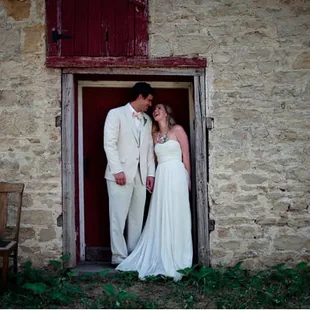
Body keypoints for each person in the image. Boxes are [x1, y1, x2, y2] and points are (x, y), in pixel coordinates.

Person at [116, 103, 193, 281]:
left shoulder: (178, 130)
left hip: (177, 174)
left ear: (167, 113)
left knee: (176, 213)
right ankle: (160, 253)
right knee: (160, 214)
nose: (155, 111)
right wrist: (151, 177)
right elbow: (152, 159)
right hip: (162, 175)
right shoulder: (154, 135)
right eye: (154, 110)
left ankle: (179, 257)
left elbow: (186, 156)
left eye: (159, 108)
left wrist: (188, 178)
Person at [103, 82, 155, 266]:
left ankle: (133, 256)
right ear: (140, 96)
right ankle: (118, 257)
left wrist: (151, 174)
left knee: (136, 217)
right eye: (148, 100)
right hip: (120, 175)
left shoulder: (147, 120)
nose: (150, 104)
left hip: (141, 176)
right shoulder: (115, 114)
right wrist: (117, 170)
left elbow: (149, 149)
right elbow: (109, 144)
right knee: (118, 217)